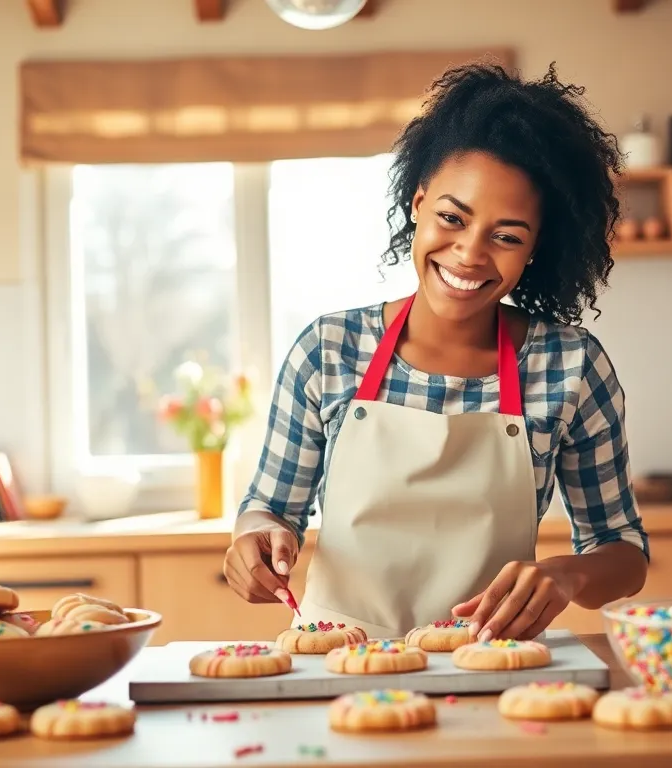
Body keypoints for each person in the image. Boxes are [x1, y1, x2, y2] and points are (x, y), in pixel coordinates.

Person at [223, 62, 649, 641]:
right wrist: (251, 541)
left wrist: (567, 575)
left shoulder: (569, 365)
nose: (470, 254)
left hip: (494, 664)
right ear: (417, 204)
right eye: (452, 217)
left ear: (535, 249)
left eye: (506, 236)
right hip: (339, 662)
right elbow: (269, 508)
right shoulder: (328, 350)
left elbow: (622, 550)